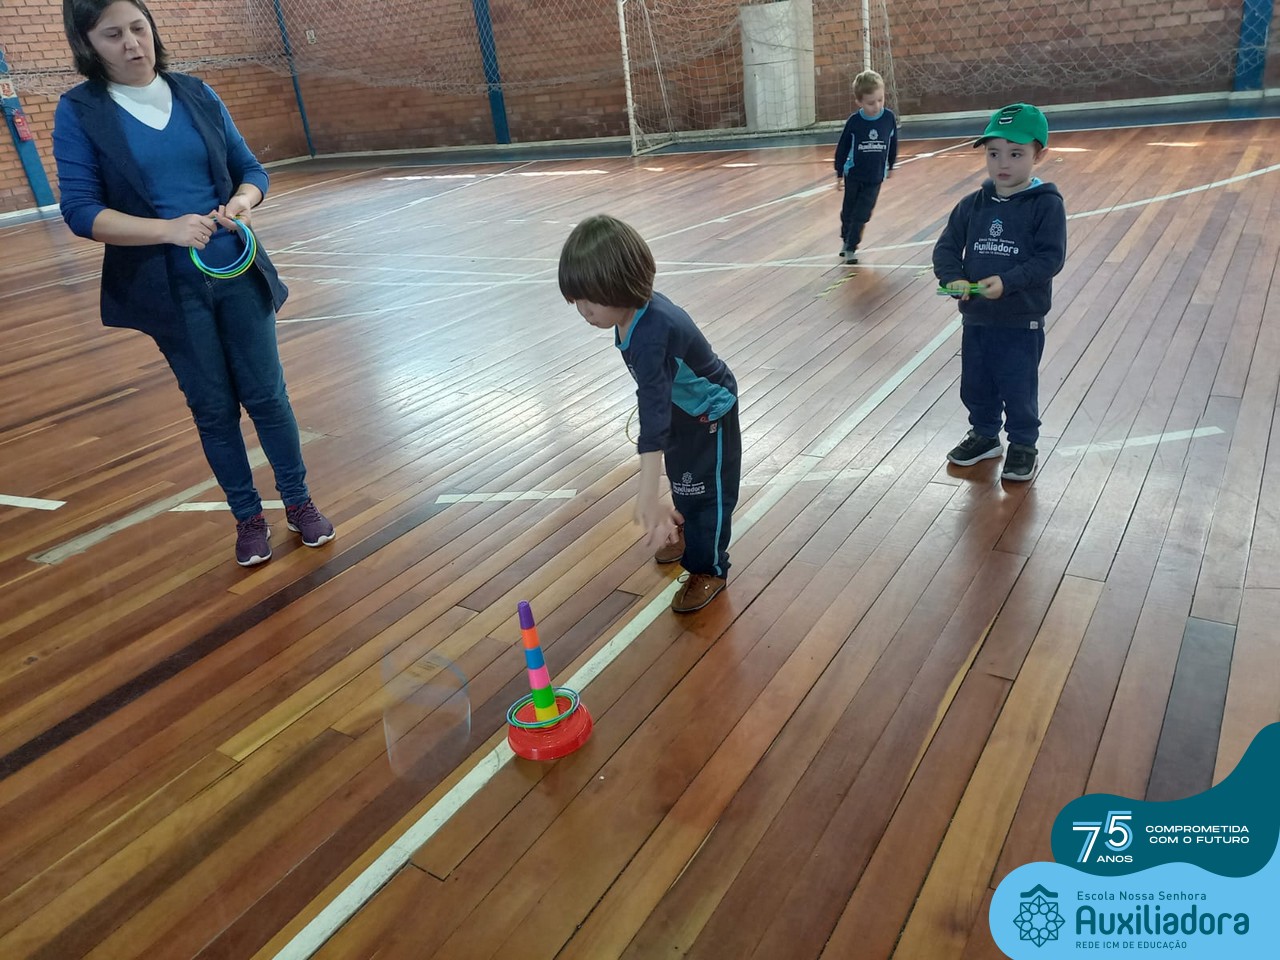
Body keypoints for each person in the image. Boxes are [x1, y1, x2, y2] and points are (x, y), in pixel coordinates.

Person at [53, 0, 334, 566]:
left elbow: (252, 171)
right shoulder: (79, 111)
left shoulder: (197, 93)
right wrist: (168, 230)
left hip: (238, 272)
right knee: (213, 408)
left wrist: (243, 201)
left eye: (139, 28)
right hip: (168, 290)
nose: (132, 43)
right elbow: (81, 212)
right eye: (113, 34)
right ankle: (247, 518)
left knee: (268, 398)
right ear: (88, 44)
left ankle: (299, 502)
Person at [558, 215, 740, 613]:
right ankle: (684, 527)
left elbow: (652, 413)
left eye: (591, 300)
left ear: (620, 285)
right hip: (680, 411)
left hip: (708, 412)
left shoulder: (651, 333)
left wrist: (646, 492)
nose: (584, 310)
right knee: (684, 479)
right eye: (577, 301)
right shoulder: (629, 315)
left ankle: (709, 569)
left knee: (706, 495)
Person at [932, 102, 1067, 482]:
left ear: (1039, 154)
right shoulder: (972, 205)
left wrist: (1009, 282)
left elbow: (1050, 259)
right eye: (994, 153)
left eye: (1015, 153)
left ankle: (1023, 443)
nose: (1002, 163)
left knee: (1018, 385)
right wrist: (953, 277)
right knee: (976, 382)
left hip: (1021, 320)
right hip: (977, 318)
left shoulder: (1046, 206)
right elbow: (946, 248)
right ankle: (985, 434)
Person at [833, 68, 897, 265]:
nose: (876, 106)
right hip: (854, 175)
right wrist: (839, 172)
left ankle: (851, 246)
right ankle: (846, 238)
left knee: (863, 213)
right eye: (870, 103)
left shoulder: (888, 118)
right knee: (849, 211)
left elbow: (893, 142)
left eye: (880, 100)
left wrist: (891, 164)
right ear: (859, 102)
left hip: (875, 176)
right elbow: (843, 147)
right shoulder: (854, 122)